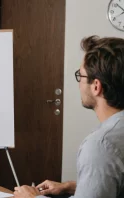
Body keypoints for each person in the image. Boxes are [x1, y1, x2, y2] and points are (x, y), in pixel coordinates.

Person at [14, 35, 124, 198]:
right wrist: (70, 186)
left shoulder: (101, 146)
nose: (79, 83)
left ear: (96, 86)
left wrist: (32, 197)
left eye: (81, 76)